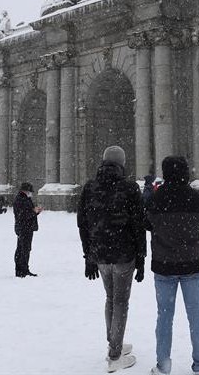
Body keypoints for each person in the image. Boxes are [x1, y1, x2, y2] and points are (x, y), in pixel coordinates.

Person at [77, 145, 146, 373]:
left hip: (101, 256)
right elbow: (138, 225)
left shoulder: (90, 187)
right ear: (122, 164)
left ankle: (114, 342)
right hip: (124, 255)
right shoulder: (129, 187)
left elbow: (82, 224)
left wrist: (88, 255)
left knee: (110, 298)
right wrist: (142, 257)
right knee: (120, 302)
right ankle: (115, 355)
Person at [145, 156, 199, 375]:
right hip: (192, 264)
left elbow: (148, 224)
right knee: (196, 315)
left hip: (164, 266)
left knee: (164, 316)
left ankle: (163, 365)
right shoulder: (197, 198)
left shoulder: (155, 199)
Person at [13, 182, 42, 277]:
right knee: (22, 250)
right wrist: (33, 212)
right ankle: (21, 271)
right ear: (25, 191)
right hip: (23, 228)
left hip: (27, 227)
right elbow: (22, 215)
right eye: (30, 191)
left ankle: (24, 269)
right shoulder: (20, 200)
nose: (31, 193)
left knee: (25, 249)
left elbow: (28, 213)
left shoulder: (26, 199)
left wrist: (35, 212)